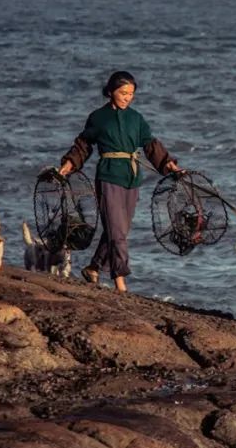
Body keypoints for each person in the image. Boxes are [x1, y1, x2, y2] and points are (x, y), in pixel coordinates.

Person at [58, 71, 180, 292]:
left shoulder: (136, 118)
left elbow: (150, 145)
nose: (127, 97)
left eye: (131, 94)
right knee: (117, 231)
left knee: (119, 230)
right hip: (108, 177)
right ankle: (120, 281)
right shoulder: (98, 118)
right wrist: (69, 163)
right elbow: (83, 145)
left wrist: (168, 163)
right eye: (123, 93)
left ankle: (94, 267)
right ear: (111, 91)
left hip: (132, 179)